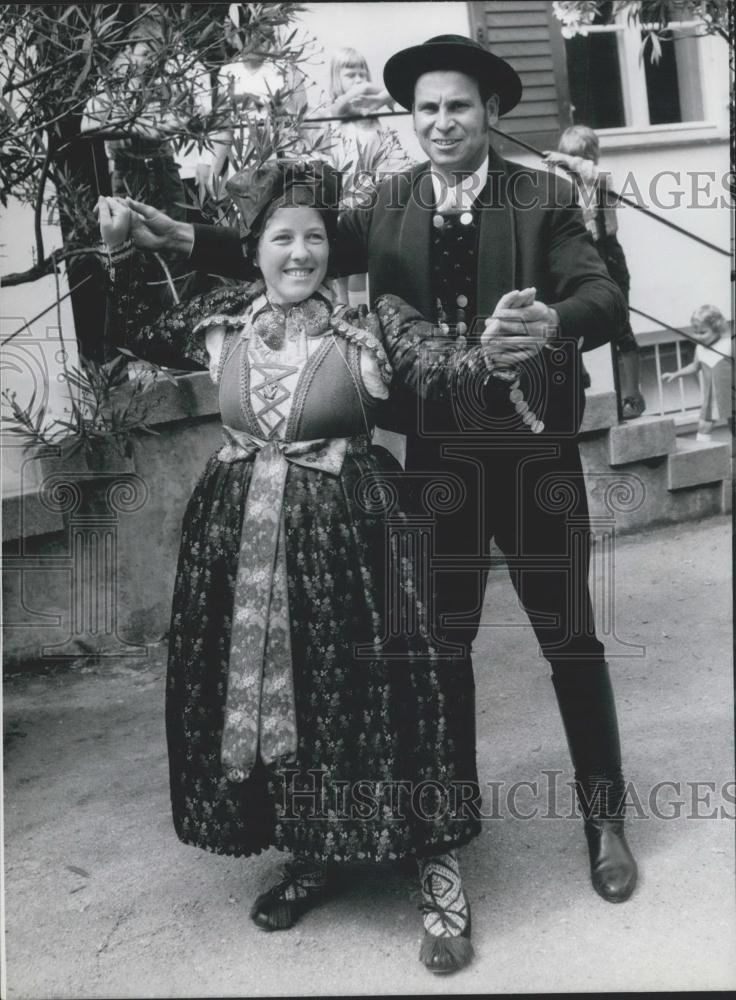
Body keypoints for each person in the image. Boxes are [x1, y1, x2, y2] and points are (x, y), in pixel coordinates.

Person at [122, 33, 639, 909]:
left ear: (491, 114)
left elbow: (603, 295)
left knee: (571, 640)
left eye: (458, 106)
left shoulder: (542, 197)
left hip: (532, 456)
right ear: (414, 120)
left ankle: (605, 820)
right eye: (428, 108)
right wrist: (181, 236)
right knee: (440, 653)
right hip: (436, 464)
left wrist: (552, 320)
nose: (442, 122)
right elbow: (299, 242)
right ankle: (448, 834)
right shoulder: (392, 201)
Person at [97, 160, 482, 975]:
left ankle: (436, 867)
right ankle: (318, 847)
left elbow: (440, 366)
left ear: (332, 248)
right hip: (240, 535)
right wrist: (121, 247)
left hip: (359, 535)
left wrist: (500, 351)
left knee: (391, 690)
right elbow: (127, 321)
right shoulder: (220, 322)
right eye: (282, 238)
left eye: (314, 238)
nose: (299, 253)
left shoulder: (372, 324)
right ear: (256, 248)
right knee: (295, 690)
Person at [544, 125, 646, 420]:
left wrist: (567, 160)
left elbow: (590, 173)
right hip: (581, 254)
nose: (569, 161)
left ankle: (632, 396)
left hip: (607, 254)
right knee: (568, 311)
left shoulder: (602, 178)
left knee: (619, 321)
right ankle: (580, 374)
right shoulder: (565, 188)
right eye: (568, 154)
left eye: (575, 155)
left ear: (589, 155)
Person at [325, 47, 412, 306]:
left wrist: (377, 98)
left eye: (363, 72)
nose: (359, 78)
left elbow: (392, 94)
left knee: (363, 261)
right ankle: (340, 308)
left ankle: (361, 309)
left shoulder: (370, 115)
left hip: (368, 195)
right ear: (336, 79)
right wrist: (372, 93)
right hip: (345, 195)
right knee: (342, 260)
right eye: (350, 73)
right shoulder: (338, 109)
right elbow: (349, 99)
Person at [662, 304, 733, 440]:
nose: (699, 337)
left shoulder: (728, 344)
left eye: (703, 332)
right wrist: (676, 374)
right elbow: (695, 367)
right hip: (711, 397)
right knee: (703, 427)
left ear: (717, 329)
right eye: (696, 332)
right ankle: (703, 458)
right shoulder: (700, 349)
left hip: (730, 393)